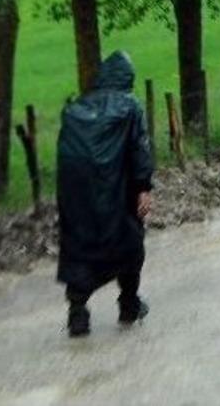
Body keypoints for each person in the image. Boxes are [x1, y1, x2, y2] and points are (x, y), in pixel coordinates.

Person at [56, 50, 154, 338]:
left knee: (78, 245)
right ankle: (129, 303)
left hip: (76, 193)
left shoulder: (76, 109)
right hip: (117, 189)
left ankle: (77, 312)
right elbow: (139, 149)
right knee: (129, 242)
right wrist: (143, 187)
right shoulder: (130, 106)